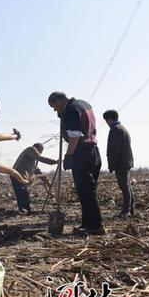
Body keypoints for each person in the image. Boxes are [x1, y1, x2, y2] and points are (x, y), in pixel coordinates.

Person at [47, 92, 105, 235]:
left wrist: (69, 155)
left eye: (54, 106)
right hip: (93, 152)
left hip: (81, 153)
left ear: (59, 100)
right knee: (88, 191)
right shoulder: (84, 104)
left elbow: (75, 136)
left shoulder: (71, 109)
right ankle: (87, 223)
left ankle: (95, 225)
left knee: (86, 191)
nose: (55, 110)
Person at [103, 110, 135, 218]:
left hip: (120, 162)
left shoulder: (115, 130)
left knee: (124, 186)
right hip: (125, 161)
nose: (107, 123)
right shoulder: (122, 128)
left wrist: (112, 163)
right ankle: (131, 209)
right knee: (127, 186)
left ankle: (126, 211)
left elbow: (114, 149)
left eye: (106, 120)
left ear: (110, 118)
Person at [11, 143, 58, 214]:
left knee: (23, 193)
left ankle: (26, 210)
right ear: (39, 149)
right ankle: (24, 210)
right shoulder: (31, 149)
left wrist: (47, 181)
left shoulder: (33, 159)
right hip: (16, 174)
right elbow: (40, 158)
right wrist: (54, 162)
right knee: (22, 193)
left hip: (21, 176)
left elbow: (37, 171)